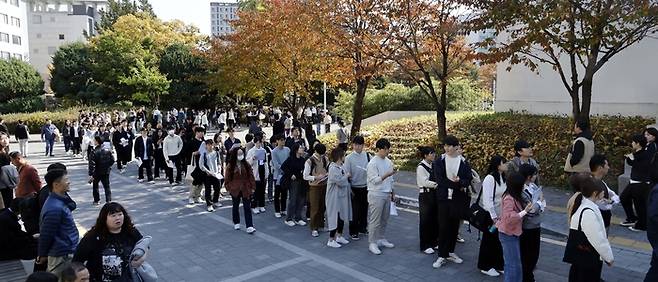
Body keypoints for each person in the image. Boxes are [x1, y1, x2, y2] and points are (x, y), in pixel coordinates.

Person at [73, 202, 147, 281]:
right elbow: (77, 260)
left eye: (120, 214)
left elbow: (144, 246)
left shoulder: (131, 231)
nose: (118, 218)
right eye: (113, 215)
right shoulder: (93, 237)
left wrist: (142, 259)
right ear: (104, 219)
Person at [432, 135, 472, 268]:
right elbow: (440, 180)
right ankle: (441, 256)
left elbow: (468, 179)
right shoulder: (440, 160)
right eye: (445, 146)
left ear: (456, 147)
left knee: (454, 227)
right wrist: (457, 185)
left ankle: (450, 252)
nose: (447, 148)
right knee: (443, 227)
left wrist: (460, 181)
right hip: (444, 199)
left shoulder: (464, 162)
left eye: (449, 146)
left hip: (458, 200)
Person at [565, 177, 614, 282]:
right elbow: (597, 239)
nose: (603, 194)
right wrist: (608, 257)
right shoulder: (589, 212)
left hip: (579, 257)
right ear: (595, 193)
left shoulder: (582, 205)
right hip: (588, 259)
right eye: (602, 192)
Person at [38, 169, 79, 279]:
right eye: (66, 180)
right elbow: (46, 234)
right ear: (56, 184)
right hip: (61, 255)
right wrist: (42, 254)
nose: (69, 182)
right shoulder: (54, 208)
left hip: (65, 251)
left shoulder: (59, 201)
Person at [496, 173, 534, 282]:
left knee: (513, 264)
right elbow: (509, 218)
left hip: (512, 233)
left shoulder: (513, 195)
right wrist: (524, 211)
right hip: (507, 234)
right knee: (513, 265)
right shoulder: (509, 198)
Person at [477, 155, 507, 277]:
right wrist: (494, 217)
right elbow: (488, 200)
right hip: (492, 215)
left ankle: (498, 264)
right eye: (504, 163)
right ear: (498, 165)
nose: (506, 165)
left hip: (501, 214)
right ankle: (485, 266)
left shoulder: (503, 177)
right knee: (489, 240)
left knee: (499, 241)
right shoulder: (490, 178)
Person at [366, 138, 396, 255]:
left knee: (384, 218)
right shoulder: (372, 163)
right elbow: (375, 181)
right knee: (375, 219)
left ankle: (381, 238)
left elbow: (391, 179)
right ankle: (372, 242)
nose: (387, 151)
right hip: (376, 193)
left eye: (388, 149)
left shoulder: (388, 161)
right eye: (385, 149)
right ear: (379, 149)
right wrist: (387, 174)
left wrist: (393, 192)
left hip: (386, 193)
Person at [519, 164, 545, 282]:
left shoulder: (533, 186)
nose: (536, 176)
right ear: (529, 176)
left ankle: (528, 275)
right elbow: (531, 210)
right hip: (527, 226)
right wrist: (539, 203)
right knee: (527, 255)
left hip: (536, 225)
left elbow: (542, 201)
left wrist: (539, 203)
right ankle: (527, 277)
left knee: (535, 254)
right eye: (534, 174)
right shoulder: (521, 190)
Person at [620, 133, 652, 231]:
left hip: (640, 183)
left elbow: (642, 167)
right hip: (634, 182)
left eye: (633, 142)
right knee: (624, 198)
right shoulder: (637, 152)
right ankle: (632, 218)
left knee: (640, 205)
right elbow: (632, 163)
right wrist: (630, 158)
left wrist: (633, 159)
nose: (632, 143)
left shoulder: (645, 154)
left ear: (638, 143)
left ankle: (642, 225)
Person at [224, 148, 257, 234]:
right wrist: (228, 188)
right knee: (235, 205)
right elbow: (227, 178)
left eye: (242, 153)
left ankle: (249, 225)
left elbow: (251, 175)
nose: (240, 155)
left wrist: (252, 186)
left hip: (245, 188)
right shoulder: (230, 166)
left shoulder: (246, 164)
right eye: (239, 154)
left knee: (247, 206)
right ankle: (236, 222)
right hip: (235, 188)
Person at [325, 148, 352, 248]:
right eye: (343, 155)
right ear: (339, 157)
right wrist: (346, 176)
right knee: (334, 217)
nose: (345, 157)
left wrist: (346, 176)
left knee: (342, 216)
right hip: (334, 197)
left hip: (342, 196)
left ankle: (339, 236)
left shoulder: (342, 166)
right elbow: (339, 181)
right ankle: (331, 239)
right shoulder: (332, 168)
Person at [345, 136, 370, 241]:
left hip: (366, 187)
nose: (357, 147)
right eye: (355, 144)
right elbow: (346, 174)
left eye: (360, 145)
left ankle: (363, 228)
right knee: (354, 211)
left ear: (363, 145)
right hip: (354, 188)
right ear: (353, 145)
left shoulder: (368, 156)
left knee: (364, 209)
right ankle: (353, 231)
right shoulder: (348, 158)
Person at [416, 146, 439, 254]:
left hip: (434, 194)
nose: (433, 155)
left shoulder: (433, 165)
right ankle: (425, 245)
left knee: (434, 219)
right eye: (431, 153)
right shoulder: (421, 167)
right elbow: (424, 182)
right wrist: (437, 185)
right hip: (425, 196)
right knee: (425, 221)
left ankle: (434, 242)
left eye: (434, 153)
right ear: (425, 155)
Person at [304, 143, 329, 237]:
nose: (321, 155)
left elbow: (328, 169)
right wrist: (316, 177)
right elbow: (305, 176)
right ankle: (314, 227)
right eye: (320, 154)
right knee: (315, 207)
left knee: (322, 206)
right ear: (316, 151)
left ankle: (321, 225)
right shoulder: (309, 161)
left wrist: (326, 175)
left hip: (324, 184)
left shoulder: (325, 159)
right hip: (314, 186)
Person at [589, 154, 619, 231]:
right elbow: (602, 205)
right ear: (600, 168)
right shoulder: (591, 184)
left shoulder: (601, 182)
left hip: (603, 221)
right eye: (607, 165)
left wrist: (610, 201)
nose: (608, 167)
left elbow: (616, 197)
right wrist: (610, 202)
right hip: (597, 222)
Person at [282, 143, 307, 226]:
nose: (302, 149)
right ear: (296, 149)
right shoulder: (291, 159)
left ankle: (298, 217)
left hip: (302, 181)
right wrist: (290, 174)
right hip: (293, 182)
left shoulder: (303, 160)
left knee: (301, 200)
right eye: (300, 147)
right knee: (292, 200)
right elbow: (283, 167)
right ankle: (289, 218)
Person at [88, 137, 115, 205]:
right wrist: (108, 166)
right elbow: (112, 160)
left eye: (94, 140)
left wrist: (91, 174)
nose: (94, 141)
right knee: (107, 186)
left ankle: (97, 200)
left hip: (97, 171)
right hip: (106, 171)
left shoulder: (94, 151)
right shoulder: (107, 150)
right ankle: (108, 200)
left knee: (95, 186)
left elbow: (92, 164)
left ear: (97, 141)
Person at [200, 139, 223, 212]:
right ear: (206, 146)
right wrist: (206, 171)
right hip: (208, 174)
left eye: (211, 144)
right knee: (208, 190)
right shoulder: (203, 154)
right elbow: (201, 165)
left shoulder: (216, 153)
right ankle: (209, 204)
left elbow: (219, 162)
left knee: (217, 188)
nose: (210, 146)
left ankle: (215, 201)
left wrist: (219, 170)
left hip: (216, 174)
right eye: (208, 145)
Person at [271, 134, 290, 218]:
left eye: (284, 140)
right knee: (277, 193)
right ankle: (277, 210)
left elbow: (289, 160)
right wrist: (284, 169)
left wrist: (287, 170)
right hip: (278, 175)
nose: (283, 141)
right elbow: (276, 164)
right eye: (281, 140)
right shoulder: (274, 151)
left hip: (286, 175)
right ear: (277, 141)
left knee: (284, 193)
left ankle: (283, 209)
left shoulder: (287, 149)